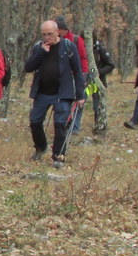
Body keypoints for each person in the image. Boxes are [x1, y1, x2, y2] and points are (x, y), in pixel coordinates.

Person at [24, 20, 85, 168]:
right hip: (42, 93)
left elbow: (77, 71)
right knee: (35, 122)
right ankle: (41, 147)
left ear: (57, 32)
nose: (47, 37)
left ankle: (58, 155)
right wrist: (41, 53)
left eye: (49, 34)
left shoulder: (68, 47)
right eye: (44, 34)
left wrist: (80, 94)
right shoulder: (39, 47)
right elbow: (28, 67)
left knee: (60, 124)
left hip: (62, 93)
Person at [56, 16, 88, 133]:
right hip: (60, 77)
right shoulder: (54, 41)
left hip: (75, 76)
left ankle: (75, 127)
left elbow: (83, 58)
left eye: (57, 30)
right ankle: (63, 123)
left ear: (62, 30)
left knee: (78, 101)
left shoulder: (76, 40)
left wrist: (83, 75)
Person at [91, 32, 116, 130]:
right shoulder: (80, 47)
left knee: (96, 105)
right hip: (84, 81)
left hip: (97, 82)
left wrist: (99, 72)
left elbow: (111, 65)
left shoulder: (100, 48)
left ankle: (99, 125)